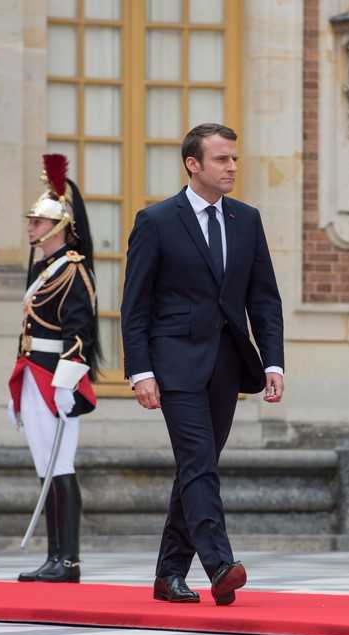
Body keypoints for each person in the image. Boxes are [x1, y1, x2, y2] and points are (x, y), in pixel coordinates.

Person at [121, 123, 285, 605]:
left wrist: (273, 361)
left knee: (198, 467)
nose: (232, 166)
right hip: (174, 365)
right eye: (221, 159)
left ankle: (168, 574)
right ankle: (219, 564)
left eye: (234, 159)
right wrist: (141, 371)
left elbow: (265, 298)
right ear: (193, 164)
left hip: (229, 365)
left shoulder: (247, 220)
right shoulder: (156, 221)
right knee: (197, 463)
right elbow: (135, 305)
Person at [8, 154, 100, 584]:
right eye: (32, 220)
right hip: (32, 373)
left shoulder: (74, 271)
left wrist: (67, 383)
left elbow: (79, 333)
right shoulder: (44, 270)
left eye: (39, 222)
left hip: (56, 380)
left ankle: (68, 560)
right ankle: (55, 556)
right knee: (46, 467)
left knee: (60, 466)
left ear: (60, 226)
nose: (31, 227)